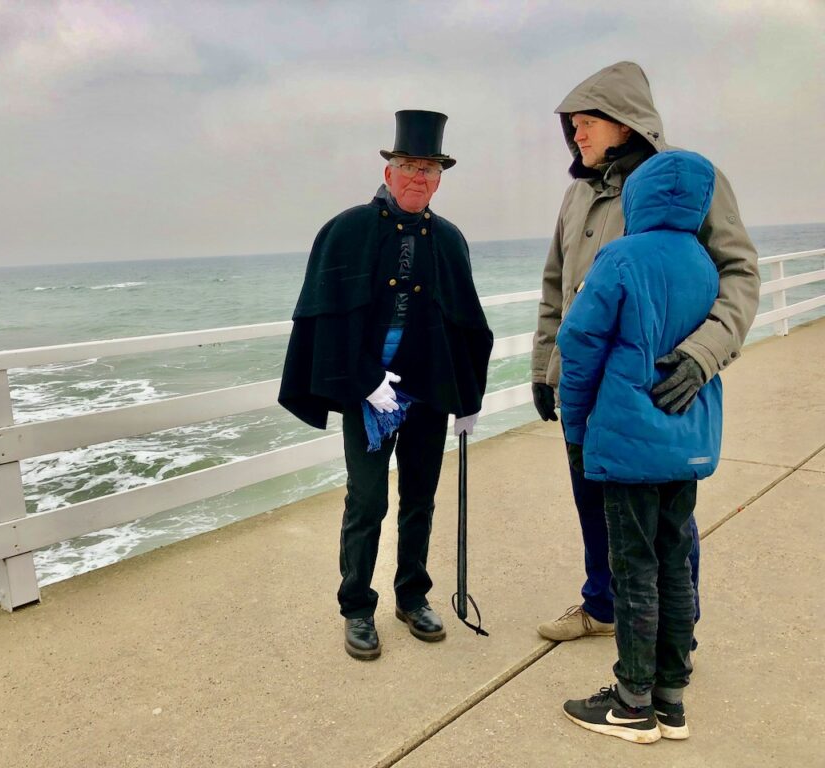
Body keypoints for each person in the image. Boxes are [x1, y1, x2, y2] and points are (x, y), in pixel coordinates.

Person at [531, 61, 760, 643]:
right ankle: (603, 608)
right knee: (594, 506)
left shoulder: (691, 181)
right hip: (583, 389)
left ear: (626, 124)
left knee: (665, 524)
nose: (575, 135)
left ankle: (673, 638)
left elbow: (739, 273)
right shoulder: (576, 195)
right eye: (572, 125)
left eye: (587, 123)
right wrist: (543, 369)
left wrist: (703, 354)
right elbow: (557, 287)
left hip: (655, 387)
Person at [279, 110, 493, 660]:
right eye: (409, 166)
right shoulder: (347, 229)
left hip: (426, 394)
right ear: (389, 171)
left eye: (430, 168)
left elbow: (467, 324)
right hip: (367, 394)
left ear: (440, 178)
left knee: (420, 500)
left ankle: (412, 596)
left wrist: (468, 399)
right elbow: (327, 317)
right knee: (367, 501)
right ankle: (357, 607)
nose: (419, 177)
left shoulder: (449, 239)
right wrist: (365, 382)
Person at [558, 150, 723, 743]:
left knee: (634, 570)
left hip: (628, 441)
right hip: (686, 442)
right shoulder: (704, 263)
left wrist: (575, 424)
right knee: (675, 563)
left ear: (638, 197)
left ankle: (631, 703)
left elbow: (578, 344)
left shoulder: (620, 257)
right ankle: (671, 699)